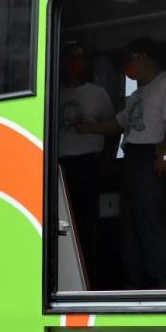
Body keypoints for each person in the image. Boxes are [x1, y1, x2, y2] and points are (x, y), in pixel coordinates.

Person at [79, 37, 166, 289]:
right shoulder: (136, 94)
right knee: (131, 227)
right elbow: (118, 123)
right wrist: (88, 128)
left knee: (152, 224)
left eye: (129, 60)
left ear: (143, 57)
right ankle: (137, 286)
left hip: (152, 157)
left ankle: (165, 286)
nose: (127, 67)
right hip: (132, 160)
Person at [57, 42, 115, 286]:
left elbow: (114, 128)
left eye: (80, 58)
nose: (75, 63)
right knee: (58, 224)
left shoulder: (97, 93)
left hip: (88, 163)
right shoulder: (54, 91)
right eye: (71, 58)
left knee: (85, 223)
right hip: (57, 165)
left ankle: (89, 280)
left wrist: (107, 161)